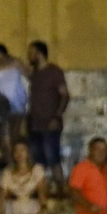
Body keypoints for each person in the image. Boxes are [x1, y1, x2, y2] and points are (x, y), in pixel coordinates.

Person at [26, 41, 69, 185]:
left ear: (39, 53)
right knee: (37, 163)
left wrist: (57, 117)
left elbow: (65, 95)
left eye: (31, 53)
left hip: (50, 123)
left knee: (53, 160)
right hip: (35, 124)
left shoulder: (54, 72)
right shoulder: (35, 74)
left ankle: (62, 190)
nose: (29, 56)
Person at [0, 137, 47, 214]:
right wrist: (0, 212)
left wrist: (43, 210)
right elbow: (2, 196)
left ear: (28, 152)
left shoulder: (37, 170)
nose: (19, 154)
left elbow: (42, 194)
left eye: (22, 150)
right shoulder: (7, 173)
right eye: (16, 151)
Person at [0, 43, 29, 151]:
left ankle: (15, 155)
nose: (0, 62)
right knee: (3, 135)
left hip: (17, 100)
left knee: (15, 132)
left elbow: (29, 76)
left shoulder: (16, 63)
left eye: (2, 59)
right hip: (3, 104)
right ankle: (10, 157)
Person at [68, 137, 107, 214]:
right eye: (98, 150)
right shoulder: (81, 168)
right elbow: (74, 192)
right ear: (90, 150)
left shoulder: (106, 169)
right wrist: (89, 206)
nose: (101, 153)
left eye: (104, 150)